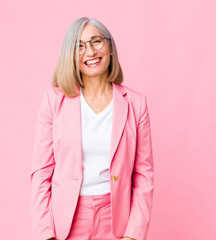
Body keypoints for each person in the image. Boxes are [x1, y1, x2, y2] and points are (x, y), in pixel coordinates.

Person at [30, 17, 154, 240]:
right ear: (71, 55)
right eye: (79, 45)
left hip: (117, 221)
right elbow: (41, 172)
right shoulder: (52, 101)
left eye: (96, 41)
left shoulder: (136, 104)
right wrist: (45, 234)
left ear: (110, 47)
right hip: (65, 222)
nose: (90, 51)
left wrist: (133, 235)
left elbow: (144, 175)